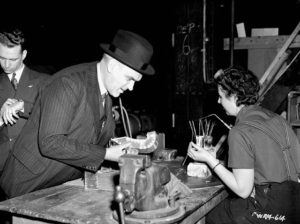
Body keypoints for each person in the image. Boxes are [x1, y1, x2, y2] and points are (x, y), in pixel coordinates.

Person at [0, 29, 155, 198]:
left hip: (58, 185)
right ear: (112, 66)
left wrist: (121, 145)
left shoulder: (104, 90)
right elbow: (50, 142)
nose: (131, 87)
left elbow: (85, 130)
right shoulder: (69, 83)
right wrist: (107, 155)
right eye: (129, 78)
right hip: (28, 184)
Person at [188, 66, 300, 223]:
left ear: (234, 97)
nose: (218, 101)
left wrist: (209, 160)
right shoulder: (279, 120)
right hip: (295, 205)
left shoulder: (240, 131)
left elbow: (243, 190)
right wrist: (219, 161)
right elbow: (265, 165)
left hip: (272, 210)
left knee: (211, 214)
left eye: (221, 96)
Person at [0, 28, 50, 175]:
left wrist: (24, 106)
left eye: (12, 59)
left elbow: (53, 118)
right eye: (2, 58)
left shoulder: (44, 81)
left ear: (24, 55)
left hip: (33, 166)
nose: (6, 64)